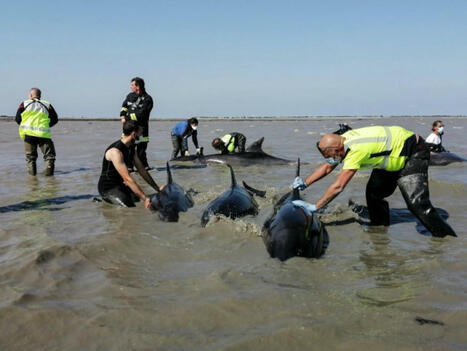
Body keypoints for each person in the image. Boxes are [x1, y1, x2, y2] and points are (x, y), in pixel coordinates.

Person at [292, 125, 456, 238]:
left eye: (330, 155)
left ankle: (446, 239)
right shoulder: (343, 139)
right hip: (390, 157)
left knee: (417, 204)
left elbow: (339, 186)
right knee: (373, 193)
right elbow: (328, 166)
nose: (330, 159)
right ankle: (380, 228)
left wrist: (316, 206)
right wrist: (305, 182)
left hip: (413, 152)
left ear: (336, 150)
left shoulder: (356, 150)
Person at [98, 120, 162, 208]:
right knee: (129, 207)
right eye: (141, 134)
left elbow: (142, 170)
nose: (142, 137)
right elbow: (127, 179)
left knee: (136, 199)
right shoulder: (116, 152)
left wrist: (157, 189)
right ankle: (104, 199)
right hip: (108, 188)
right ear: (134, 134)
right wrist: (145, 198)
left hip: (120, 184)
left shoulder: (131, 148)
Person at [15, 87, 58, 176]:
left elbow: (17, 118)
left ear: (30, 95)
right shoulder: (47, 104)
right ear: (40, 96)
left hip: (29, 135)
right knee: (49, 156)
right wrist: (47, 125)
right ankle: (49, 177)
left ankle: (32, 179)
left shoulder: (24, 103)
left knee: (30, 158)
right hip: (43, 134)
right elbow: (55, 119)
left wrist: (25, 125)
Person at [120, 77, 154, 170]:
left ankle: (144, 168)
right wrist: (122, 115)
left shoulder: (148, 99)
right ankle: (129, 167)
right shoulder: (129, 96)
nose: (130, 87)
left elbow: (142, 114)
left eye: (132, 85)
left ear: (138, 86)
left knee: (141, 151)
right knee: (127, 149)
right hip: (129, 128)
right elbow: (124, 106)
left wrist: (127, 117)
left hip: (142, 129)